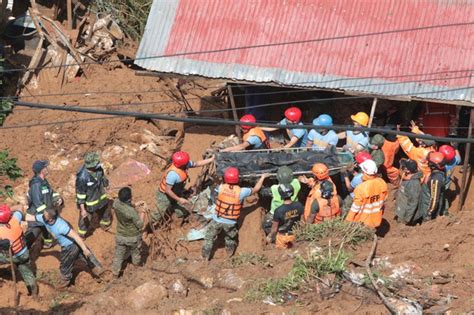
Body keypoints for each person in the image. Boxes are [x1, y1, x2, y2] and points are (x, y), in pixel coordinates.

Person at [202, 168, 267, 260]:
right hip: (230, 222)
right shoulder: (242, 191)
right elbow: (256, 189)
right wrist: (262, 177)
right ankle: (229, 254)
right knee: (230, 238)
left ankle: (205, 257)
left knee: (209, 237)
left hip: (217, 219)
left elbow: (215, 192)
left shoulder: (221, 187)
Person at [30, 207, 103, 288]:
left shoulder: (61, 226)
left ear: (50, 219)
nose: (43, 215)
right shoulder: (44, 218)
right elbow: (30, 217)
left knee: (65, 265)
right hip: (72, 245)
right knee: (88, 259)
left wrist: (85, 249)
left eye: (45, 214)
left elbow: (75, 236)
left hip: (70, 247)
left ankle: (65, 280)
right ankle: (100, 271)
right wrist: (17, 216)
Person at [155, 151, 214, 223]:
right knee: (157, 215)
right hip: (164, 195)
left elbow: (197, 163)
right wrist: (180, 199)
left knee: (183, 211)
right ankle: (145, 229)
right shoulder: (173, 174)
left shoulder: (184, 164)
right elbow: (168, 190)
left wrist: (211, 160)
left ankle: (176, 219)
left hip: (176, 192)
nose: (188, 163)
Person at [0, 204, 37, 296]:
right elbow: (20, 207)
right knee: (27, 273)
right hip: (22, 253)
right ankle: (33, 293)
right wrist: (8, 210)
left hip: (8, 256)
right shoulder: (15, 219)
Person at [26, 160, 61, 249]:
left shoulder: (44, 181)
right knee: (31, 236)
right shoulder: (36, 184)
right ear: (42, 170)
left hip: (44, 214)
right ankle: (20, 252)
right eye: (45, 167)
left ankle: (47, 242)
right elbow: (38, 203)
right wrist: (47, 213)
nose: (47, 168)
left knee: (45, 228)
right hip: (36, 216)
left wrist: (57, 198)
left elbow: (51, 192)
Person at [76, 152, 111, 238]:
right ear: (91, 165)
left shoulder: (99, 169)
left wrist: (106, 185)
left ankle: (104, 224)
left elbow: (103, 178)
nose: (99, 164)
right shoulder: (82, 177)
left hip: (101, 197)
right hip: (90, 203)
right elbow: (80, 195)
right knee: (85, 219)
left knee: (105, 211)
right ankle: (82, 234)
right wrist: (83, 209)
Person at [111, 187, 144, 278]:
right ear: (129, 198)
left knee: (118, 256)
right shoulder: (132, 212)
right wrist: (142, 212)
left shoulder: (116, 203)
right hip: (132, 237)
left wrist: (135, 204)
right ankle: (136, 269)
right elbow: (140, 225)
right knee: (135, 253)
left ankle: (115, 275)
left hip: (120, 236)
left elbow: (125, 205)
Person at [346, 160, 388, 229]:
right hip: (377, 219)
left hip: (363, 221)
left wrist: (347, 221)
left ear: (364, 172)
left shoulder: (361, 188)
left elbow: (355, 208)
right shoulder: (382, 183)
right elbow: (384, 200)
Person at [261, 166, 301, 235]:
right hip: (292, 211)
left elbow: (263, 192)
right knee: (292, 222)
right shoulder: (296, 183)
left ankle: (277, 236)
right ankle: (290, 230)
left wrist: (263, 178)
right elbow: (296, 179)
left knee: (266, 225)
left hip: (277, 213)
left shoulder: (274, 188)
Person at [266, 184, 304, 249]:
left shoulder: (278, 211)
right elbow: (302, 221)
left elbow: (274, 229)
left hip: (282, 237)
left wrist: (269, 237)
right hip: (295, 235)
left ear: (281, 195)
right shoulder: (299, 205)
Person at [418, 152, 447, 221]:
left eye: (429, 162)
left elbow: (434, 199)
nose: (427, 163)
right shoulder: (441, 171)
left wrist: (429, 213)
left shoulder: (435, 179)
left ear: (433, 165)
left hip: (427, 207)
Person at [395, 159, 423, 224]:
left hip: (405, 215)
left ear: (408, 170)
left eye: (404, 167)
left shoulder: (413, 184)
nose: (402, 168)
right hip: (402, 210)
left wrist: (406, 219)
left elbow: (413, 202)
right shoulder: (408, 179)